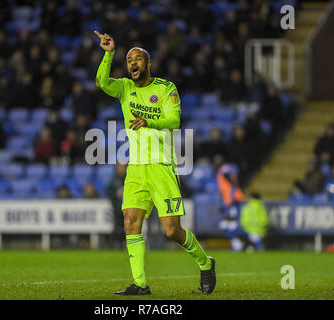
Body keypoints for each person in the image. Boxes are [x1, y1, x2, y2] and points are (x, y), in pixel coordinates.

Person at [94, 30, 215, 295]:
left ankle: (205, 262)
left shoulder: (165, 88)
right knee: (130, 221)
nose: (133, 64)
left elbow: (174, 121)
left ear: (148, 64)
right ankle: (140, 284)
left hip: (161, 165)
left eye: (138, 59)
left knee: (172, 231)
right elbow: (102, 82)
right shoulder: (125, 88)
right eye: (129, 61)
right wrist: (109, 54)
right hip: (136, 167)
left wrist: (150, 121)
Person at [215, 156, 245, 252]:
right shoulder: (223, 170)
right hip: (230, 201)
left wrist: (231, 199)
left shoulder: (224, 170)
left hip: (233, 200)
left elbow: (233, 183)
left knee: (229, 225)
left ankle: (251, 240)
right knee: (227, 225)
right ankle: (239, 243)